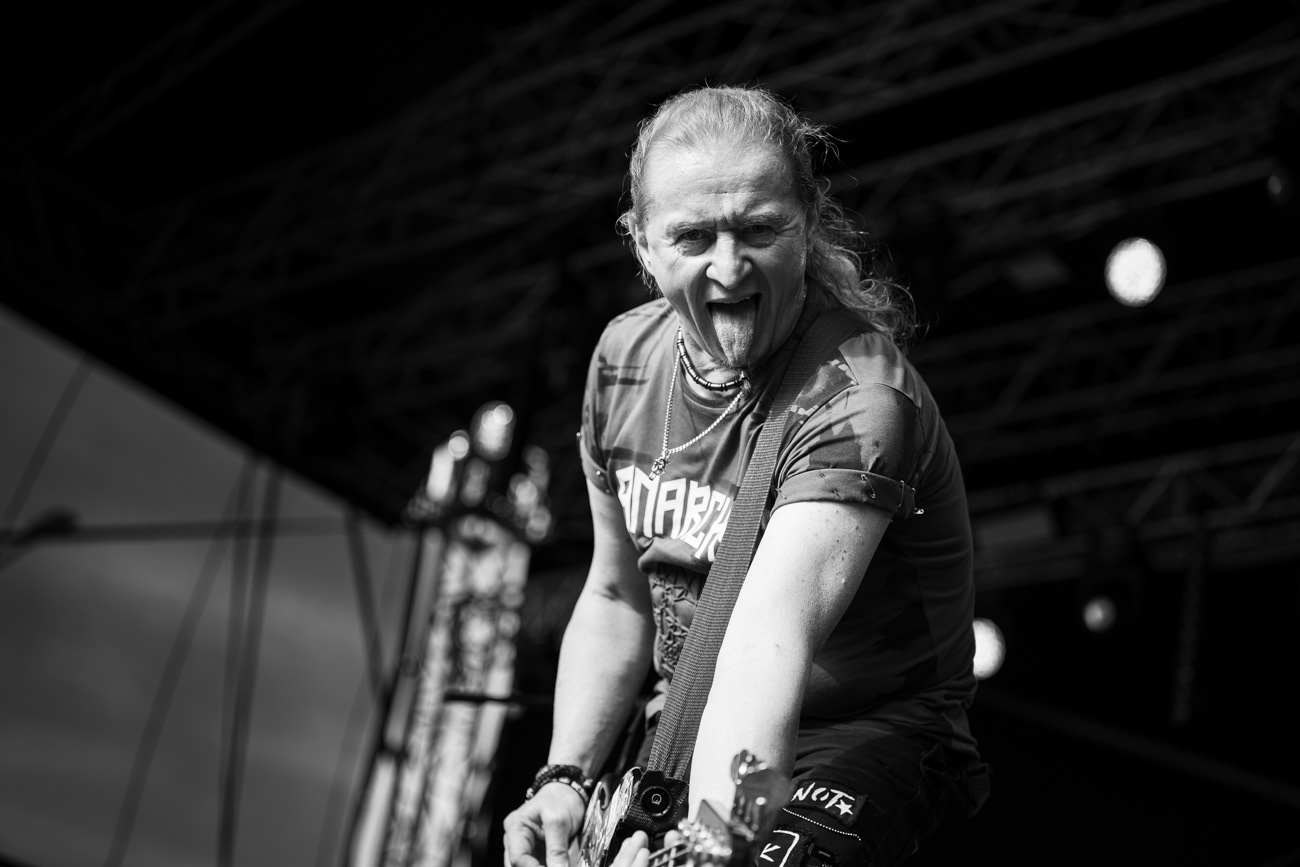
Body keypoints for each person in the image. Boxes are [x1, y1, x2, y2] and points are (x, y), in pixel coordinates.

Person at [502, 85, 988, 867]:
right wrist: (564, 776)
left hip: (858, 736)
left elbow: (768, 646)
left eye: (759, 229)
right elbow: (618, 596)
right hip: (687, 727)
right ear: (642, 245)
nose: (728, 268)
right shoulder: (623, 360)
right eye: (692, 237)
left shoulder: (859, 398)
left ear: (808, 221)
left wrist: (712, 845)